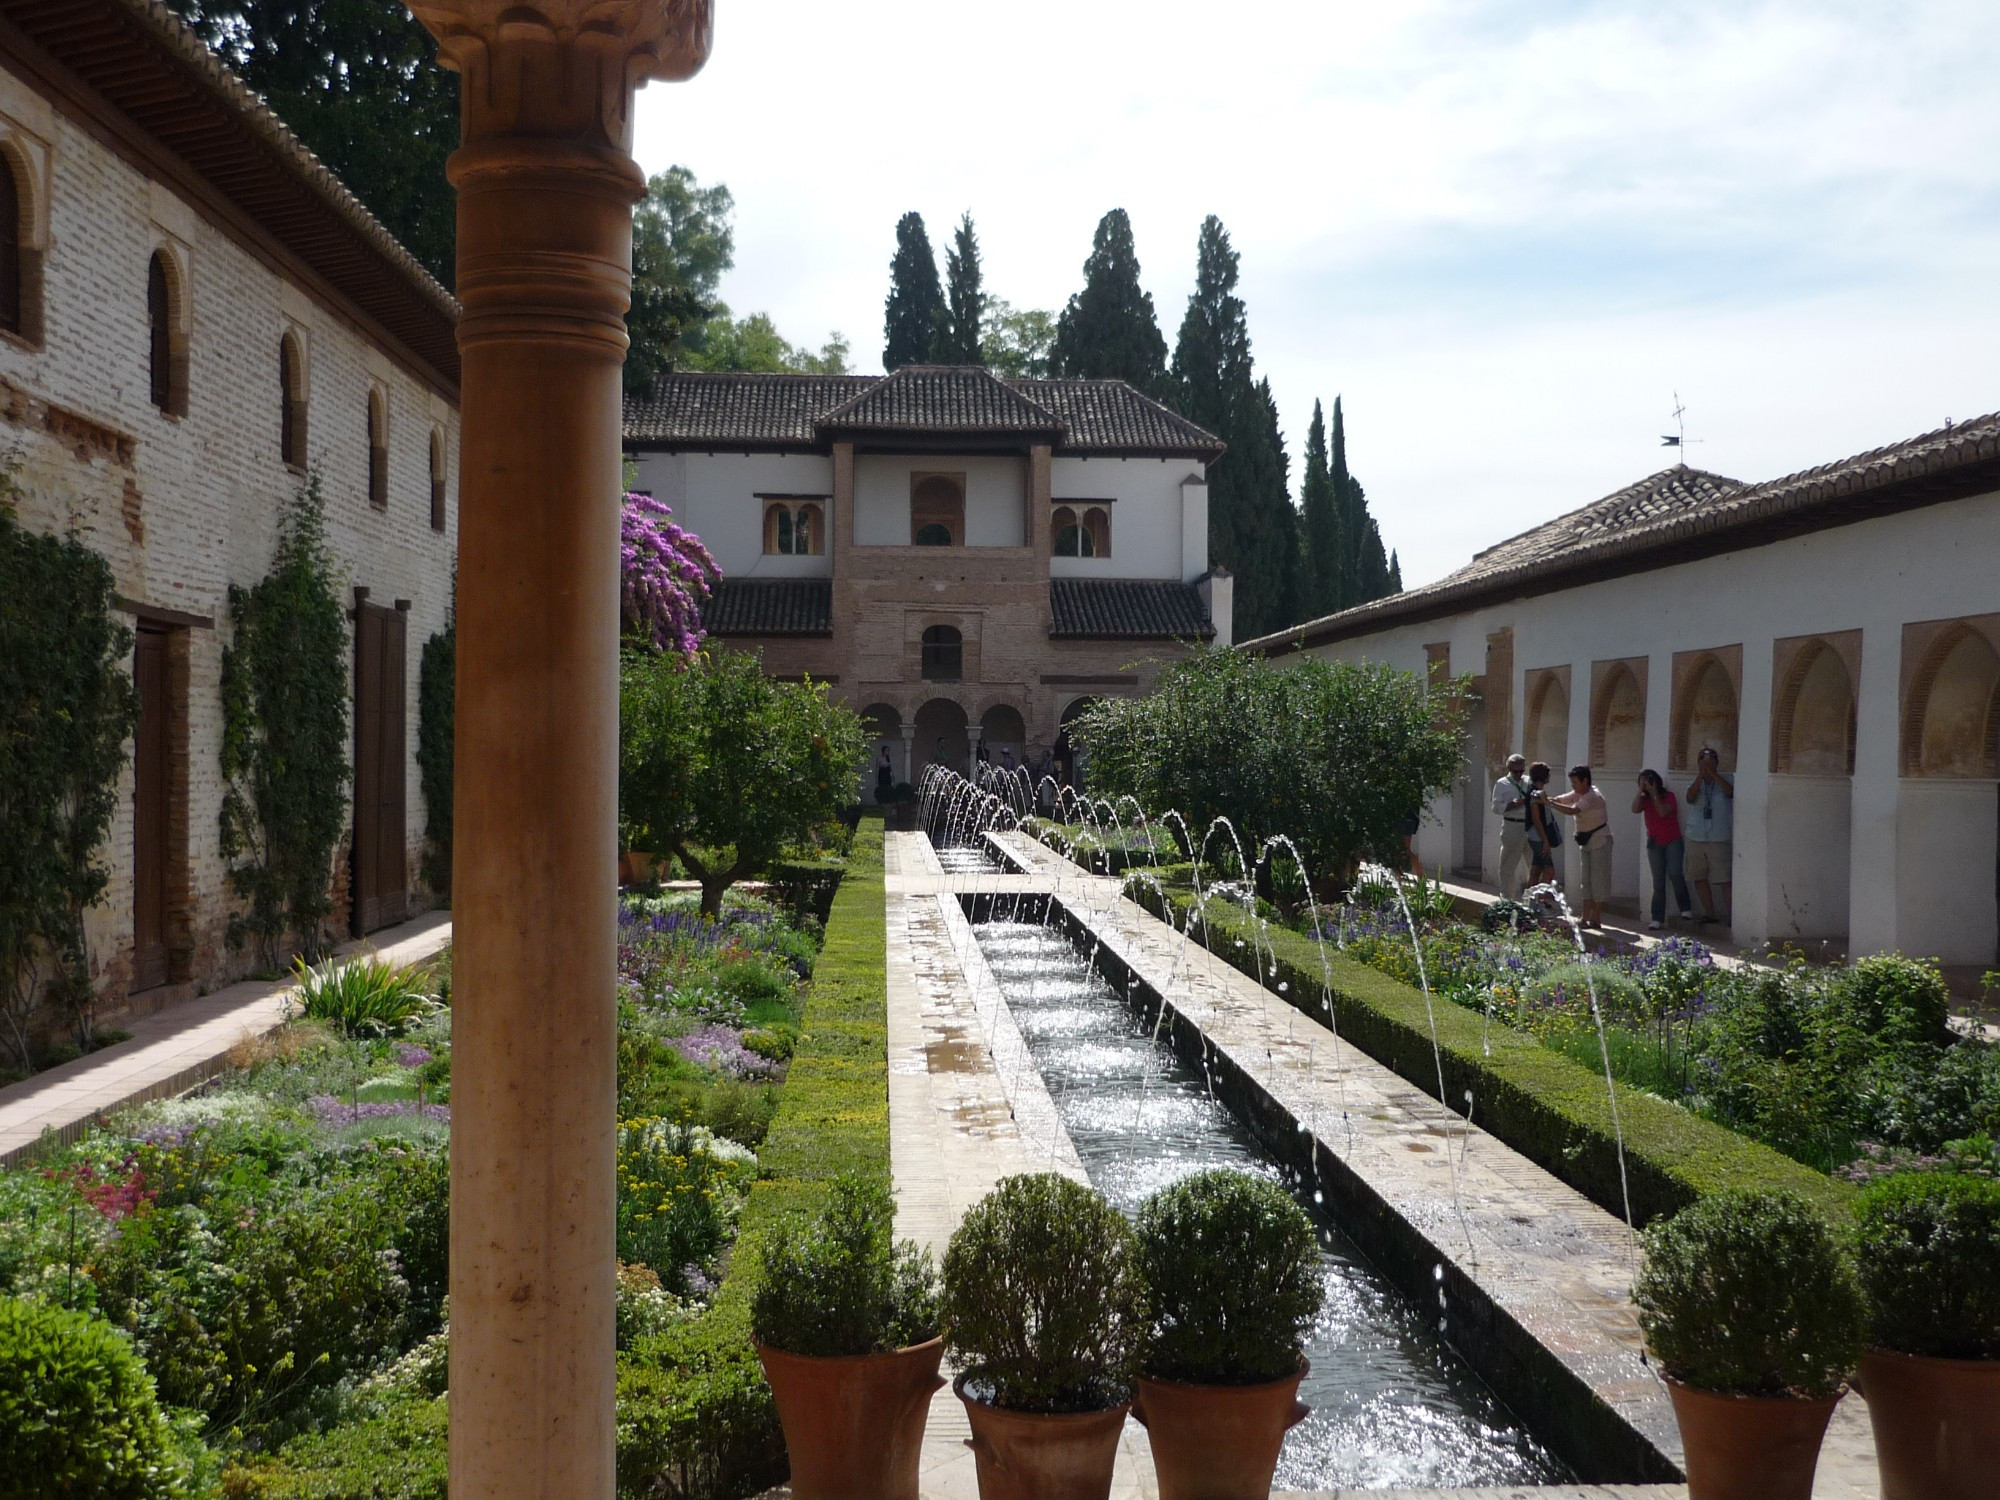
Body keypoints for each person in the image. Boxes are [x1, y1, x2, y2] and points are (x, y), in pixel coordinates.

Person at [1548, 764, 1611, 928]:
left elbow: (1572, 810)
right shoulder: (1579, 793)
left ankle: (1596, 918)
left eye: (1575, 782)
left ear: (1585, 781)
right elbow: (1563, 799)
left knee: (1598, 880)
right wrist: (1547, 799)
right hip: (1586, 842)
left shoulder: (1591, 796)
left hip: (1600, 841)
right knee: (1586, 881)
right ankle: (1585, 917)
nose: (1573, 786)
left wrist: (1550, 805)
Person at [1633, 769, 1694, 931]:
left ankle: (1685, 908)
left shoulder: (1669, 797)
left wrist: (1654, 793)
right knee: (1658, 882)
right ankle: (1657, 918)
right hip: (1654, 844)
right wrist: (1641, 790)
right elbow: (1634, 809)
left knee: (1675, 873)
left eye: (1649, 781)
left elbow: (1662, 812)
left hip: (1673, 841)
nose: (1647, 785)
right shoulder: (1644, 800)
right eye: (1643, 782)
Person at [1683, 746, 1735, 926]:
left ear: (1717, 762)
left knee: (1724, 879)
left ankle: (1731, 915)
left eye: (1711, 759)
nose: (1706, 762)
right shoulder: (1694, 782)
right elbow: (1690, 798)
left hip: (1719, 837)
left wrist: (1713, 774)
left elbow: (1730, 792)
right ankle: (1709, 913)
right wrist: (1701, 775)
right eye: (1702, 759)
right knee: (1699, 876)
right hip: (1695, 836)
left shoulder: (1727, 780)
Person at [1491, 753, 1532, 897]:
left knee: (1533, 863)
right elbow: (1495, 807)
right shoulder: (1502, 783)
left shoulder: (1528, 782)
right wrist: (1511, 805)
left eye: (1522, 771)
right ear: (1509, 769)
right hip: (1512, 824)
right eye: (1516, 771)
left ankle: (1533, 899)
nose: (1519, 774)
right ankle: (1507, 900)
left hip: (1529, 825)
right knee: (1508, 865)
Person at [1524, 761, 1561, 888]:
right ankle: (1540, 900)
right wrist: (1545, 840)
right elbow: (1536, 819)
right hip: (1537, 837)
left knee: (1536, 868)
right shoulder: (1535, 793)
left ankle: (1529, 900)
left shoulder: (1536, 791)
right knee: (1550, 871)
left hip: (1534, 836)